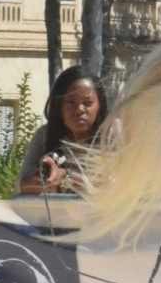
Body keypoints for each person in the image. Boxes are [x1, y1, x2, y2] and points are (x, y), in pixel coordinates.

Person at [19, 66, 109, 194]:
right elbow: (22, 185)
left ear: (99, 105)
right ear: (59, 105)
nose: (79, 109)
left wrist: (66, 180)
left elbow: (124, 187)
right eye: (71, 102)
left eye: (87, 103)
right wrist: (47, 180)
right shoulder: (44, 136)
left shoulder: (111, 136)